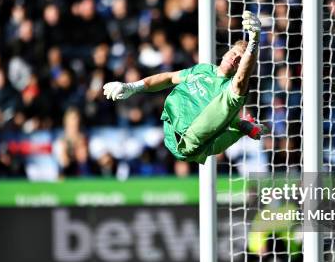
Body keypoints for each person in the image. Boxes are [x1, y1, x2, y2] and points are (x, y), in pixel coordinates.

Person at [103, 11, 268, 164]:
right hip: (168, 128)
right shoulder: (203, 69)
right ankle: (241, 125)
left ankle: (241, 127)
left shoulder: (233, 87)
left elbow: (240, 78)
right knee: (225, 120)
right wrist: (132, 86)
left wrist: (254, 41)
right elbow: (169, 77)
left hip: (188, 142)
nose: (235, 58)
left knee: (226, 106)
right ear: (225, 53)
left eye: (240, 59)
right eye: (234, 53)